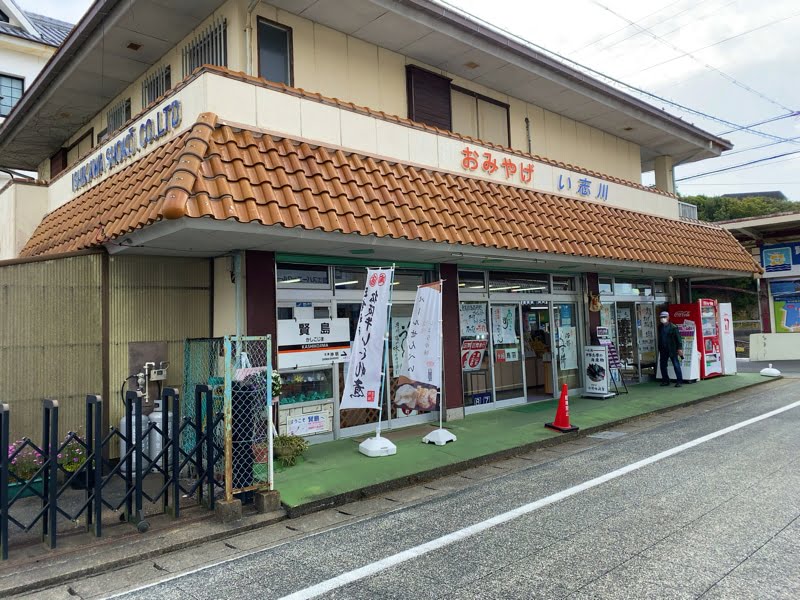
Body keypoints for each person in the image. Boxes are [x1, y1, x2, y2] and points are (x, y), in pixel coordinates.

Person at [658, 311, 684, 387]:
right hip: (663, 348)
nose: (663, 319)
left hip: (672, 348)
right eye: (661, 317)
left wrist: (679, 348)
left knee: (676, 364)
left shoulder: (673, 327)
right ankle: (666, 380)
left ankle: (679, 381)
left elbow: (678, 338)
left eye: (664, 317)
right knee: (662, 365)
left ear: (668, 317)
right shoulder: (660, 327)